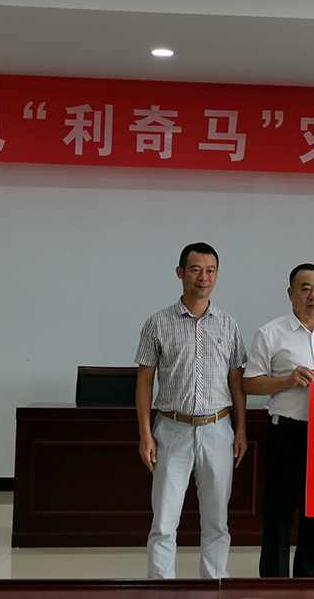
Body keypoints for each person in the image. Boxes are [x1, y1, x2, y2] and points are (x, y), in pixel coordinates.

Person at [134, 242, 247, 580]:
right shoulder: (157, 323)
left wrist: (241, 429)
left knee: (217, 522)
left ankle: (214, 587)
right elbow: (144, 382)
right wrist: (145, 434)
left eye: (210, 271)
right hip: (172, 430)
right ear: (180, 272)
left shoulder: (228, 324)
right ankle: (161, 589)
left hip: (218, 430)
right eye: (196, 270)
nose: (203, 277)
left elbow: (237, 382)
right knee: (164, 523)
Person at [242, 263, 314, 578]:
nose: (313, 295)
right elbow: (249, 384)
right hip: (286, 433)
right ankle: (274, 584)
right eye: (305, 289)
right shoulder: (270, 333)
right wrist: (288, 380)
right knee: (278, 514)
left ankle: (308, 581)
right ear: (291, 293)